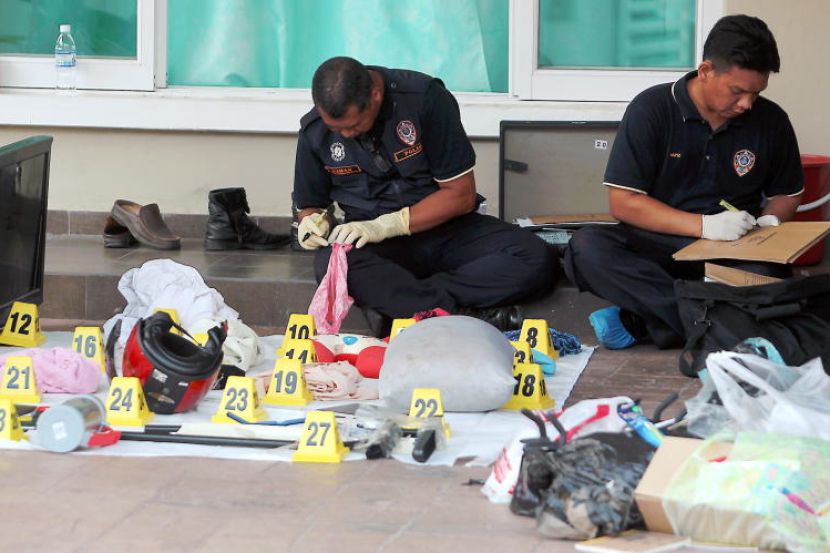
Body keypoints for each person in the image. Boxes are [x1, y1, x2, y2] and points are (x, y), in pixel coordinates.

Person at [564, 14, 803, 351]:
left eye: (756, 93)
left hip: (735, 251)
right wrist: (704, 225)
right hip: (659, 248)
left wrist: (769, 223)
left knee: (769, 275)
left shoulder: (771, 119)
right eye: (737, 91)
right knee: (587, 248)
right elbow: (624, 203)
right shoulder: (652, 109)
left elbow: (786, 193)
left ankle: (646, 321)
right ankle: (722, 326)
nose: (747, 104)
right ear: (706, 71)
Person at [293, 57, 557, 337]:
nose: (345, 135)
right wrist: (312, 223)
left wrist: (388, 224)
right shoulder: (315, 130)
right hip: (372, 241)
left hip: (446, 229)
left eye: (354, 125)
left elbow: (460, 194)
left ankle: (404, 306)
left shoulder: (423, 99)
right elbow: (310, 204)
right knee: (331, 265)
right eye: (337, 129)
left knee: (536, 258)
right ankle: (459, 315)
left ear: (375, 95)